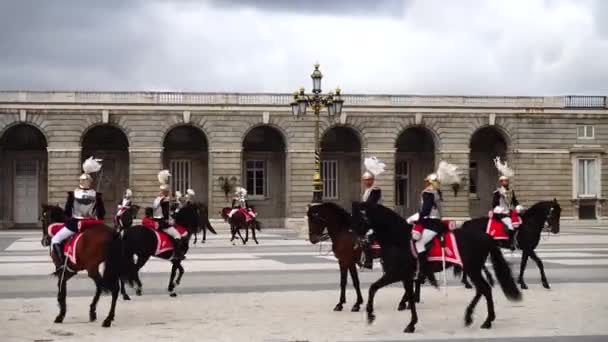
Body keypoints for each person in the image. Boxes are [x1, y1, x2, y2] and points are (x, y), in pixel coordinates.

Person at [51, 157, 104, 273]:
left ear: (80, 182)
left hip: (74, 224)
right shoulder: (97, 195)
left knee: (55, 239)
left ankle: (60, 265)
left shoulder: (73, 194)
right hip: (92, 225)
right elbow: (101, 214)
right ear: (91, 182)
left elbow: (67, 212)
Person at [492, 157, 524, 250]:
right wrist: (503, 211)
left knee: (520, 223)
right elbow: (494, 205)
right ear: (501, 182)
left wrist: (518, 207)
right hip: (501, 214)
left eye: (506, 181)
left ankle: (517, 241)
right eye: (503, 181)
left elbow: (515, 201)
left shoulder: (511, 191)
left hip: (511, 212)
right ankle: (510, 243)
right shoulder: (497, 192)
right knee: (510, 225)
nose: (505, 182)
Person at [359, 156, 385, 270]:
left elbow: (371, 204)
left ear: (372, 180)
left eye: (368, 180)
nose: (366, 182)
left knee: (367, 237)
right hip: (369, 217)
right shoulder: (367, 190)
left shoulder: (375, 190)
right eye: (365, 180)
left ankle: (369, 262)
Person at [153, 170, 185, 260]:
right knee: (177, 235)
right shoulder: (165, 200)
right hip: (163, 223)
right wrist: (170, 220)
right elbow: (166, 212)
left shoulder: (158, 199)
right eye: (168, 191)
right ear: (165, 191)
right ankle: (177, 254)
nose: (169, 193)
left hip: (157, 221)